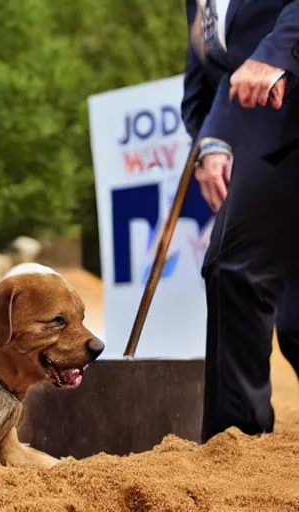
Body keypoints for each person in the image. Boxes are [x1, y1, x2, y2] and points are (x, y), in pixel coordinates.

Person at [181, 0, 299, 443]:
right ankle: (241, 450)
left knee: (235, 265)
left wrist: (278, 52)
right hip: (265, 145)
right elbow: (206, 81)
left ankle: (237, 441)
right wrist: (209, 142)